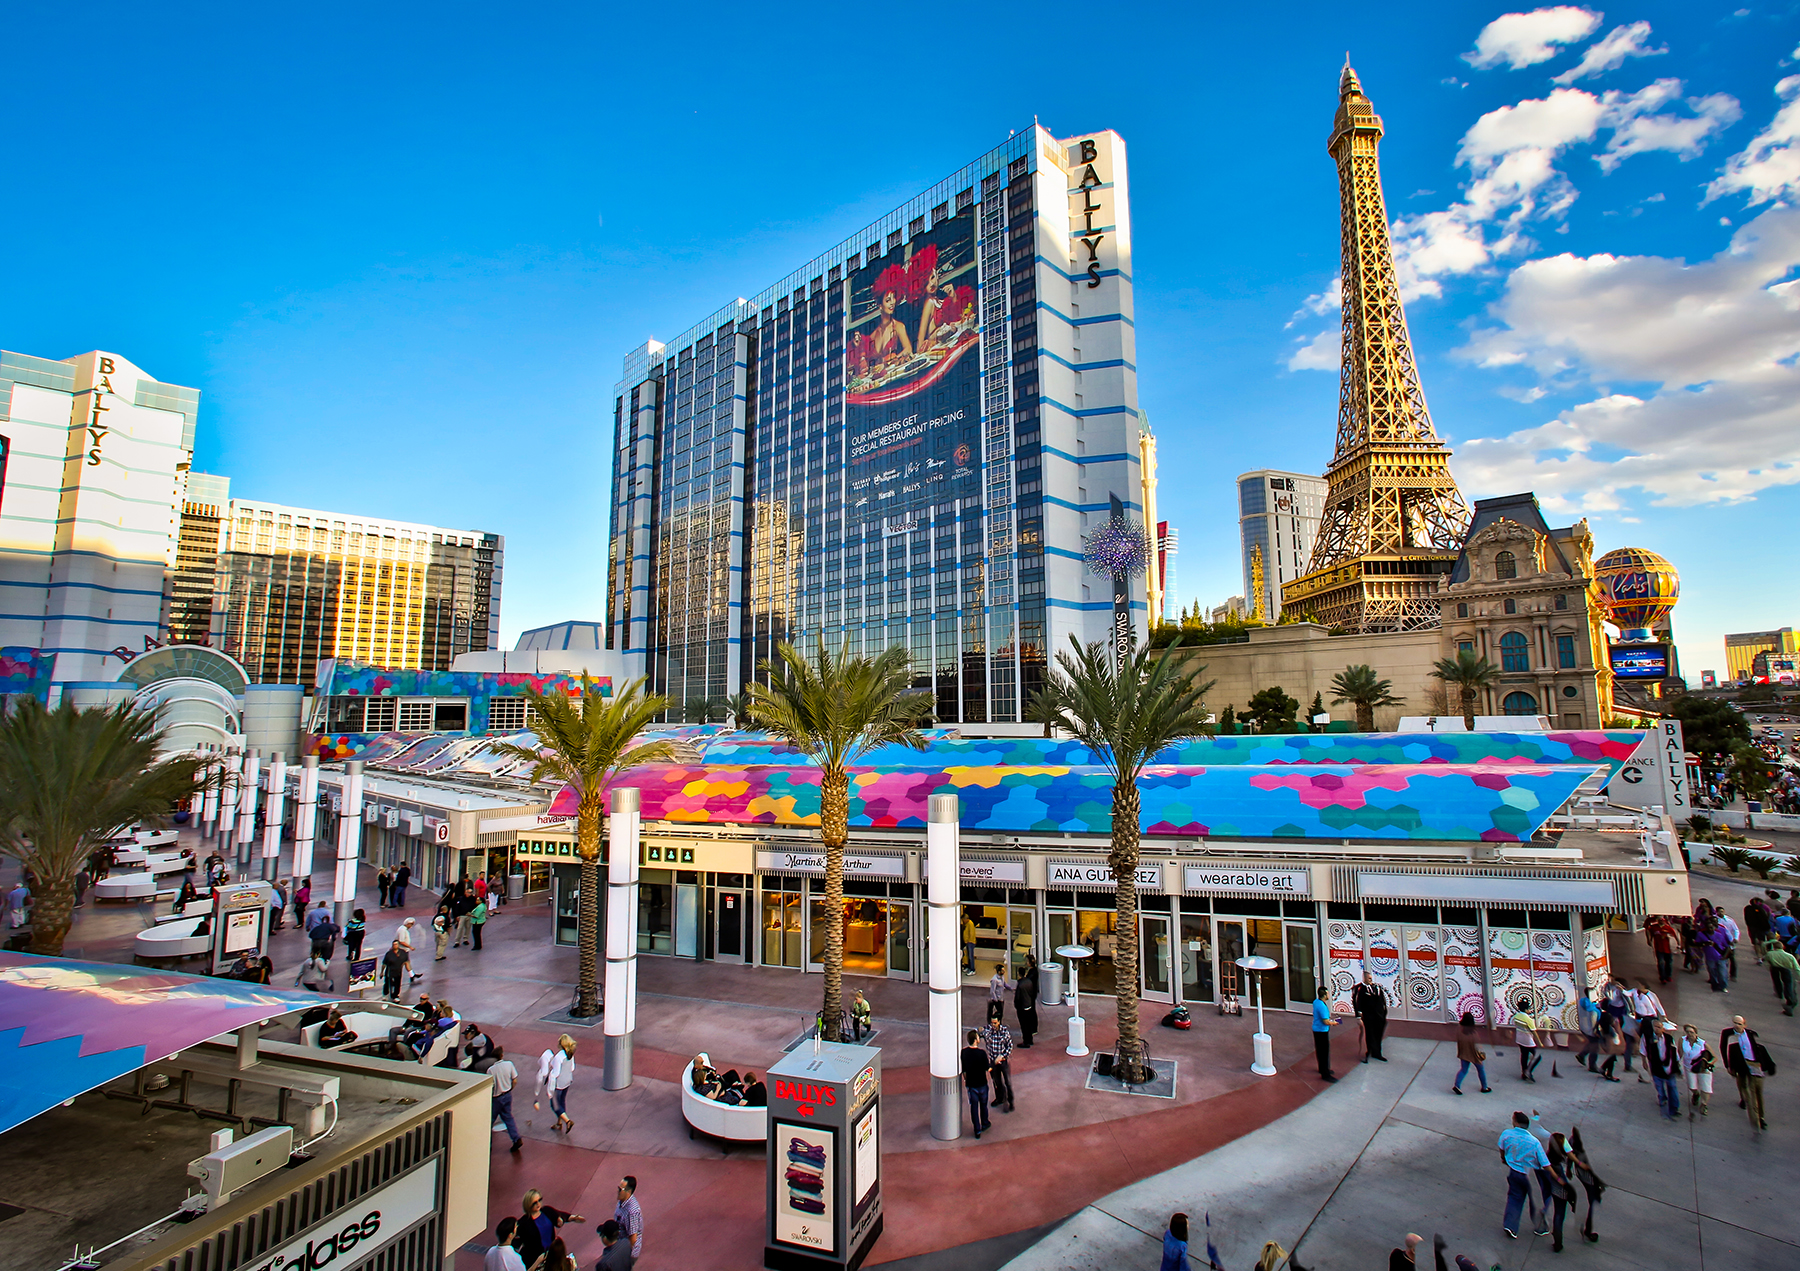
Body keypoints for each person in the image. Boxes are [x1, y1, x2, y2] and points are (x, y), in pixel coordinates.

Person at [1498, 1110, 1554, 1240]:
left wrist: (1504, 1159)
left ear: (1516, 1123)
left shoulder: (1507, 1134)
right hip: (1530, 1175)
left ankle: (1510, 1226)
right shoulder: (1534, 1141)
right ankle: (1540, 1227)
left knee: (1515, 1197)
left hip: (1514, 1172)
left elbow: (1501, 1148)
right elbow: (1544, 1163)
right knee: (1538, 1200)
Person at [1718, 1015, 1775, 1131]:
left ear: (1745, 1024)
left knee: (1756, 1093)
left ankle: (1760, 1117)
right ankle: (1744, 1099)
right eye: (1735, 1023)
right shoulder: (1728, 1034)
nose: (1737, 1025)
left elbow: (1758, 1049)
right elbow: (1723, 1048)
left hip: (1753, 1065)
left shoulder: (1750, 1034)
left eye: (1739, 1023)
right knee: (1742, 1084)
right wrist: (1727, 1065)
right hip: (1739, 1066)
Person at [516, 1191, 582, 1270]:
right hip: (535, 1257)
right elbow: (516, 1239)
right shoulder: (523, 1222)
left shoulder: (546, 1211)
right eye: (534, 1203)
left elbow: (559, 1215)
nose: (538, 1204)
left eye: (539, 1200)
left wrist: (570, 1218)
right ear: (528, 1205)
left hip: (551, 1252)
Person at [1564, 1126, 1604, 1243]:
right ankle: (1588, 1230)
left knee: (1591, 1199)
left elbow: (1569, 1156)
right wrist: (1599, 1182)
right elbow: (1589, 1172)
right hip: (1586, 1177)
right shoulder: (1581, 1155)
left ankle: (1587, 1227)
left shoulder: (1571, 1143)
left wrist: (1568, 1168)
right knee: (1591, 1202)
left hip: (1581, 1174)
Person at [536, 1035, 577, 1134]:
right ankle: (559, 1122)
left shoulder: (558, 1057)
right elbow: (572, 1068)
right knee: (562, 1101)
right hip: (567, 1081)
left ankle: (567, 1121)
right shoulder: (570, 1054)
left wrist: (550, 1090)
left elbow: (556, 1073)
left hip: (558, 1084)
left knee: (554, 1104)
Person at [980, 1003, 1015, 1114]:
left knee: (1007, 1082)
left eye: (995, 1022)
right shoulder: (988, 1030)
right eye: (992, 1022)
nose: (993, 1025)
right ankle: (999, 1098)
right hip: (993, 1061)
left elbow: (1009, 1046)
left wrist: (1003, 1056)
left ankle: (1010, 1101)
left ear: (999, 1022)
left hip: (1002, 1061)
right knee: (996, 1081)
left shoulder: (1004, 1032)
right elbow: (980, 1031)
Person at [1645, 1021, 1683, 1120]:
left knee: (1672, 1087)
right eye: (1655, 1027)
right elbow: (1644, 1051)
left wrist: (1677, 1064)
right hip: (1656, 1067)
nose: (1656, 1029)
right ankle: (1662, 1097)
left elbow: (1674, 1051)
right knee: (1659, 1086)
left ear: (1663, 1029)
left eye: (1659, 1027)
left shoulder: (1669, 1038)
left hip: (1669, 1067)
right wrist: (1645, 1062)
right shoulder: (1648, 1038)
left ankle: (1673, 1109)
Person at [489, 1045, 522, 1152]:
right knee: (508, 1117)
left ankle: (487, 1143)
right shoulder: (509, 1064)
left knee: (490, 1120)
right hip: (507, 1094)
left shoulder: (491, 1070)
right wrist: (510, 1089)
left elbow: (490, 1086)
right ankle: (516, 1138)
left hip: (496, 1097)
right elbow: (515, 1080)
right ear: (502, 1055)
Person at [1678, 1022, 1713, 1118]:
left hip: (1702, 1068)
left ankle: (1704, 1104)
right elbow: (1680, 1052)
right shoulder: (1682, 1041)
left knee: (1705, 1088)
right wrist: (1676, 1062)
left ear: (1696, 1033)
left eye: (1692, 1032)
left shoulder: (1703, 1044)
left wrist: (1708, 1064)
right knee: (1692, 1086)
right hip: (1689, 1067)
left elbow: (1713, 1057)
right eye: (1688, 1032)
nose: (1690, 1034)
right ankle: (1696, 1094)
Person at [960, 1029, 991, 1138]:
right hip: (982, 1083)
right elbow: (987, 1068)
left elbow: (964, 1070)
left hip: (971, 1084)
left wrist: (966, 1081)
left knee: (973, 1107)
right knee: (983, 1105)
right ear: (975, 1040)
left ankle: (977, 1129)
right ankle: (985, 1123)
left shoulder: (964, 1052)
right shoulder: (982, 1053)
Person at [1353, 970, 1389, 1063]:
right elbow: (1357, 1003)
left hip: (1379, 1016)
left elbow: (1382, 1000)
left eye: (1371, 978)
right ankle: (1369, 1051)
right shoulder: (1360, 989)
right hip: (1368, 1017)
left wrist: (1384, 1012)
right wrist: (1358, 1016)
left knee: (1378, 1034)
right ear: (1364, 978)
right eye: (1369, 978)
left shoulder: (1377, 988)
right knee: (1370, 1034)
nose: (1371, 980)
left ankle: (1377, 1052)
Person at [1452, 1010, 1490, 1094]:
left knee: (1463, 1070)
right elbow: (1478, 1047)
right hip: (1474, 1055)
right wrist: (1482, 1055)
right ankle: (1484, 1087)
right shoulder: (1474, 1034)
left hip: (1463, 1053)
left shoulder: (1459, 1029)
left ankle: (1457, 1085)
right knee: (1481, 1070)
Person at [1763, 937, 1799, 1015]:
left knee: (1776, 980)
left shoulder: (1770, 954)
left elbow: (1764, 947)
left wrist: (1771, 941)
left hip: (1775, 968)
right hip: (1787, 969)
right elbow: (1796, 968)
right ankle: (1789, 998)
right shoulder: (1790, 956)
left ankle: (1779, 993)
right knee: (1788, 984)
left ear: (1774, 947)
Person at [612, 1176, 643, 1264]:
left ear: (628, 1191)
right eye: (618, 1188)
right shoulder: (621, 1202)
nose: (617, 1191)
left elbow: (632, 1240)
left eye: (620, 1189)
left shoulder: (632, 1212)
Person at [1311, 985, 1336, 1082]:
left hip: (1317, 1029)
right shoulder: (1322, 1006)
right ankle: (1325, 1074)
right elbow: (1325, 1021)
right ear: (1325, 995)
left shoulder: (1316, 1002)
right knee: (1324, 1052)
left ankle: (1322, 1068)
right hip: (1322, 1031)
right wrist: (1334, 1023)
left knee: (1320, 1051)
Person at [1512, 1006, 1543, 1082]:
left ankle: (1523, 1073)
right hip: (1528, 1041)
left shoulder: (1516, 1016)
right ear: (1526, 1009)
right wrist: (1539, 1042)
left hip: (1519, 1039)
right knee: (1537, 1056)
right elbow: (1533, 1032)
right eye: (1528, 1008)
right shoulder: (1529, 1019)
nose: (1529, 1010)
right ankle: (1528, 1071)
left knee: (1524, 1055)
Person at [396, 916, 423, 983]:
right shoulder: (402, 930)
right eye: (411, 924)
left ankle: (412, 975)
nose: (411, 926)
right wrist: (410, 947)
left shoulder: (403, 929)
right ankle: (398, 976)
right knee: (403, 963)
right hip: (402, 950)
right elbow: (401, 941)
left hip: (404, 950)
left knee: (407, 962)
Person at [961, 908, 976, 975]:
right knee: (968, 956)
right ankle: (969, 967)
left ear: (966, 919)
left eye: (963, 920)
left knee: (970, 956)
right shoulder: (967, 924)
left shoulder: (970, 924)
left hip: (970, 942)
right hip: (967, 942)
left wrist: (968, 941)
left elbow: (971, 934)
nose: (962, 921)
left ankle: (972, 970)